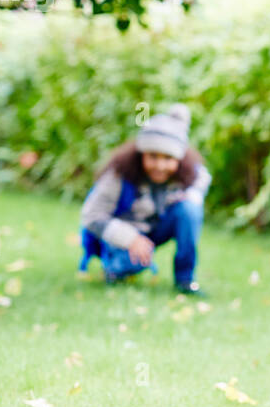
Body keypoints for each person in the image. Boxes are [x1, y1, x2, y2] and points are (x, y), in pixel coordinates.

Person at [80, 105, 211, 296]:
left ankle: (185, 279)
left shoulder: (190, 174)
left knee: (190, 210)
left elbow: (202, 179)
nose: (160, 165)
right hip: (126, 232)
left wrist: (191, 197)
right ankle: (116, 268)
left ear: (180, 159)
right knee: (129, 264)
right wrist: (130, 238)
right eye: (153, 156)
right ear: (141, 154)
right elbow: (91, 215)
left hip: (157, 228)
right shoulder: (119, 175)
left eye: (168, 158)